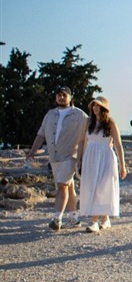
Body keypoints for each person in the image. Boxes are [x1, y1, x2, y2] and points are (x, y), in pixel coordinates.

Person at [26, 86, 89, 230]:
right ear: (56, 97)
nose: (61, 97)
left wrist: (84, 156)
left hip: (70, 156)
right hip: (54, 158)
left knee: (62, 186)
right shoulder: (50, 115)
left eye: (64, 95)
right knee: (68, 186)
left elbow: (90, 132)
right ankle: (74, 217)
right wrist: (32, 152)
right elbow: (41, 135)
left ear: (70, 97)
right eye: (59, 95)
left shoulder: (79, 115)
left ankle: (57, 219)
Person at [77, 96, 127, 233]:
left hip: (106, 157)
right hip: (91, 157)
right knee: (92, 185)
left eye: (98, 106)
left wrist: (123, 165)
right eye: (93, 105)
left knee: (103, 187)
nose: (95, 108)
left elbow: (118, 144)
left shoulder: (110, 123)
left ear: (103, 108)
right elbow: (81, 141)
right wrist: (79, 159)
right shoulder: (88, 122)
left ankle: (94, 221)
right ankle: (104, 219)